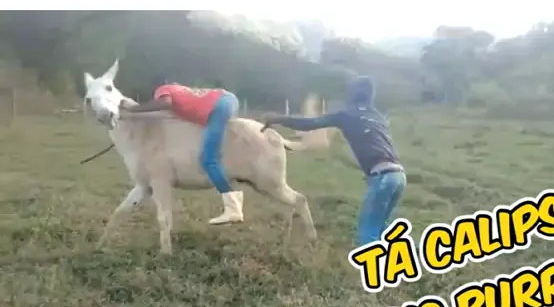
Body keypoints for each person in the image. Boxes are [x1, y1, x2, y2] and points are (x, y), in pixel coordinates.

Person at [262, 76, 406, 247]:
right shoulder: (379, 117)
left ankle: (377, 262)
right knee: (381, 226)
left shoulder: (346, 115)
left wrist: (279, 119)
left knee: (368, 234)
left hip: (382, 178)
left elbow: (310, 124)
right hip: (398, 176)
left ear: (353, 94)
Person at [120, 79, 244, 225]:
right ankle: (235, 199)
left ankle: (233, 208)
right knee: (215, 151)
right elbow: (161, 114)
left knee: (208, 159)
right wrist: (130, 115)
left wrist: (133, 109)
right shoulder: (178, 91)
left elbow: (165, 103)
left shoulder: (164, 90)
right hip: (226, 100)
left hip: (220, 105)